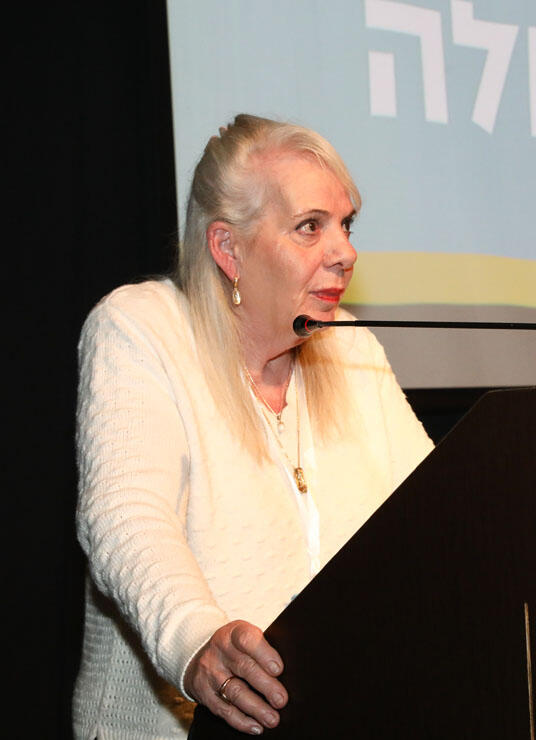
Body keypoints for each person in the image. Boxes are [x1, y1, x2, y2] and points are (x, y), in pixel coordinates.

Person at [73, 114, 433, 738]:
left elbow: (436, 515)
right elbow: (127, 518)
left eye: (345, 225)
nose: (345, 252)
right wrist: (196, 639)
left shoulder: (351, 347)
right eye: (310, 226)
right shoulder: (141, 329)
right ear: (228, 249)